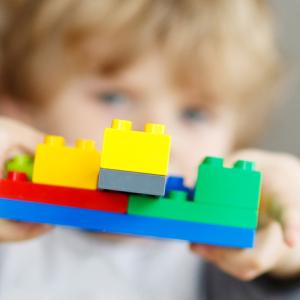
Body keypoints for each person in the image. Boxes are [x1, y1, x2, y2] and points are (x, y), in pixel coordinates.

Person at [0, 0, 300, 299]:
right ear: (22, 112)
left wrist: (284, 253)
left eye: (194, 114)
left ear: (235, 141)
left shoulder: (221, 263)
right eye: (113, 98)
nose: (158, 134)